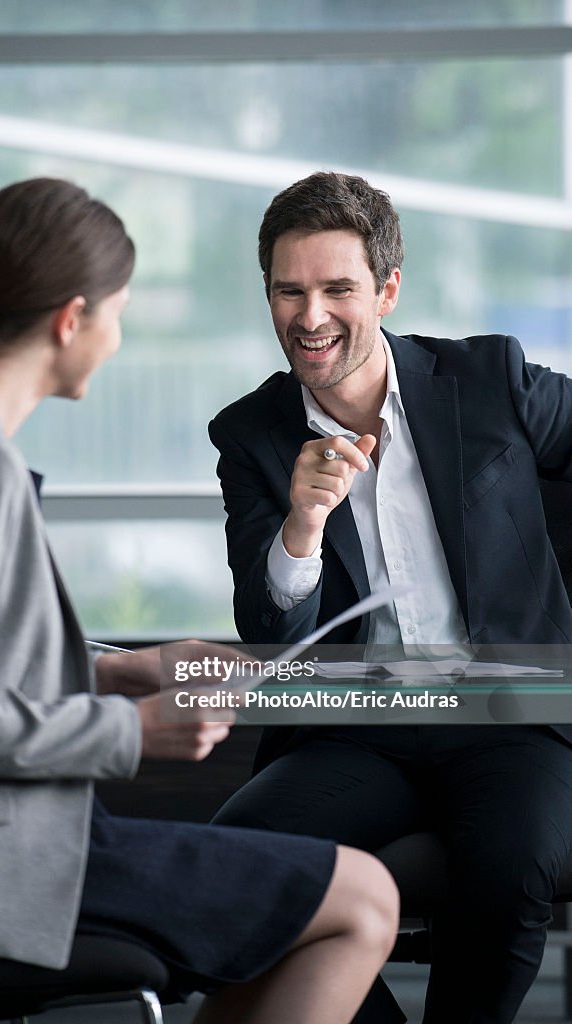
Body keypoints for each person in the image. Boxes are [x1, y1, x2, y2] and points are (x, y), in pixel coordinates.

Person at [0, 177, 399, 1024]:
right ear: (69, 320)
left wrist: (132, 671)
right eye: (117, 313)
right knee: (364, 900)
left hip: (9, 844)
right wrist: (134, 728)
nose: (117, 338)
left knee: (323, 900)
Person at [208, 171, 572, 1024]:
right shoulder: (252, 434)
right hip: (358, 724)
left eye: (337, 288)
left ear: (387, 289)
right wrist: (301, 522)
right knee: (230, 868)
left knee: (508, 868)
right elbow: (270, 632)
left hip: (509, 712)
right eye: (288, 291)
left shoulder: (490, 380)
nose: (310, 317)